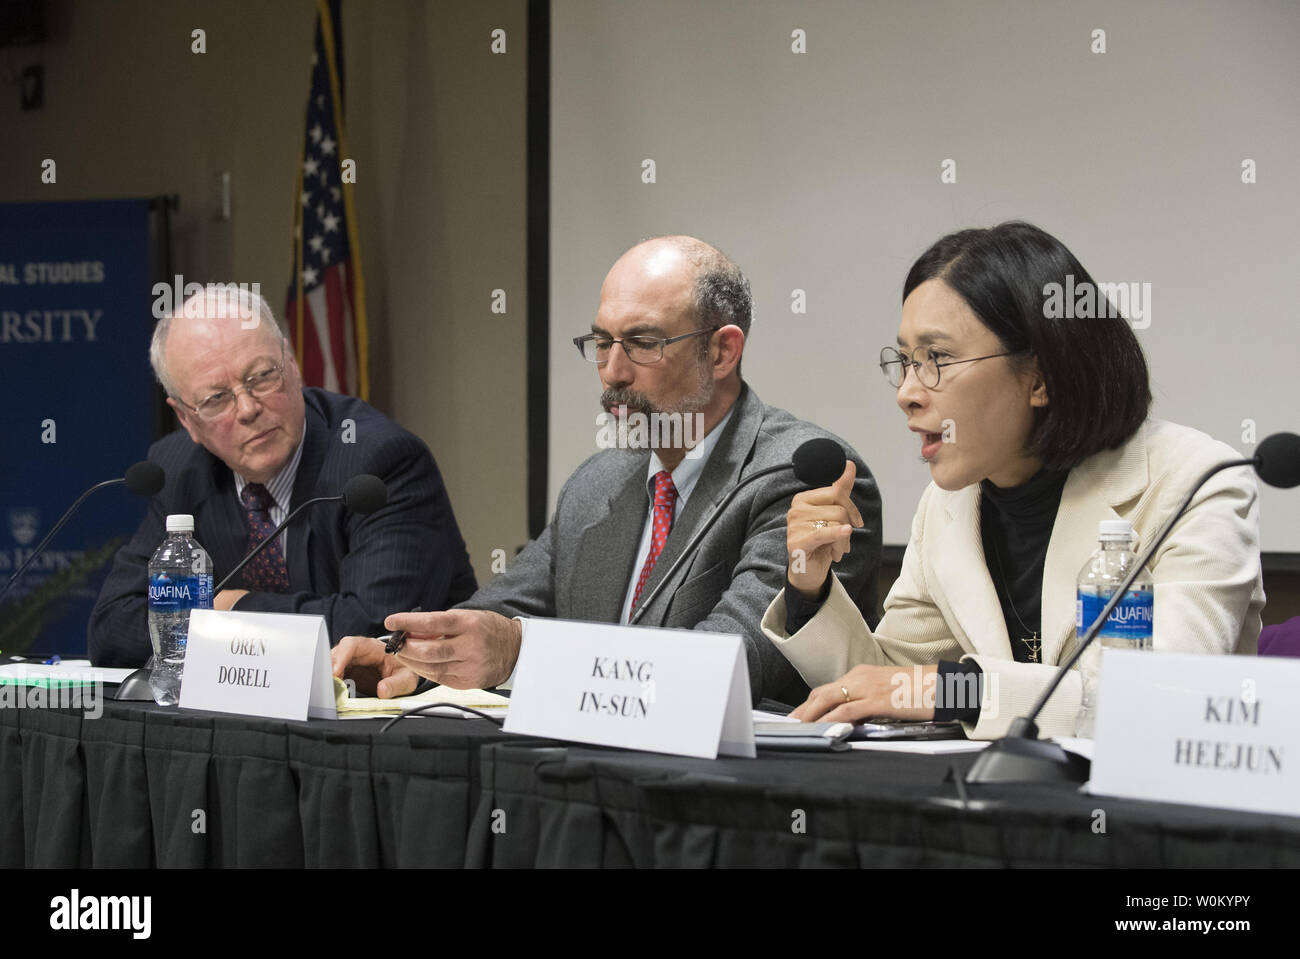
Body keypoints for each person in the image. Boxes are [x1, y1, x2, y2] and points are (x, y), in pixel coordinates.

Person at [763, 222, 1264, 739]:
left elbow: (1167, 698)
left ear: (1041, 378)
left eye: (937, 359)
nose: (907, 393)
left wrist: (950, 690)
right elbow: (887, 683)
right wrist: (810, 587)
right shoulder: (948, 505)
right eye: (906, 362)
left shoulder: (1194, 481)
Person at [332, 235, 882, 705]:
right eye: (601, 343)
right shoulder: (597, 483)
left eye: (642, 343)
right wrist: (411, 655)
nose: (612, 373)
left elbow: (732, 667)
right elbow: (493, 616)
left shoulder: (800, 475)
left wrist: (520, 653)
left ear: (721, 352)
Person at [88, 285, 477, 667]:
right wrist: (217, 617)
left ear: (290, 362)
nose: (247, 409)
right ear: (187, 419)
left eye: (260, 377)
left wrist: (231, 607)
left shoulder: (378, 462)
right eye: (216, 399)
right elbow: (113, 628)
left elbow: (377, 627)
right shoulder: (180, 468)